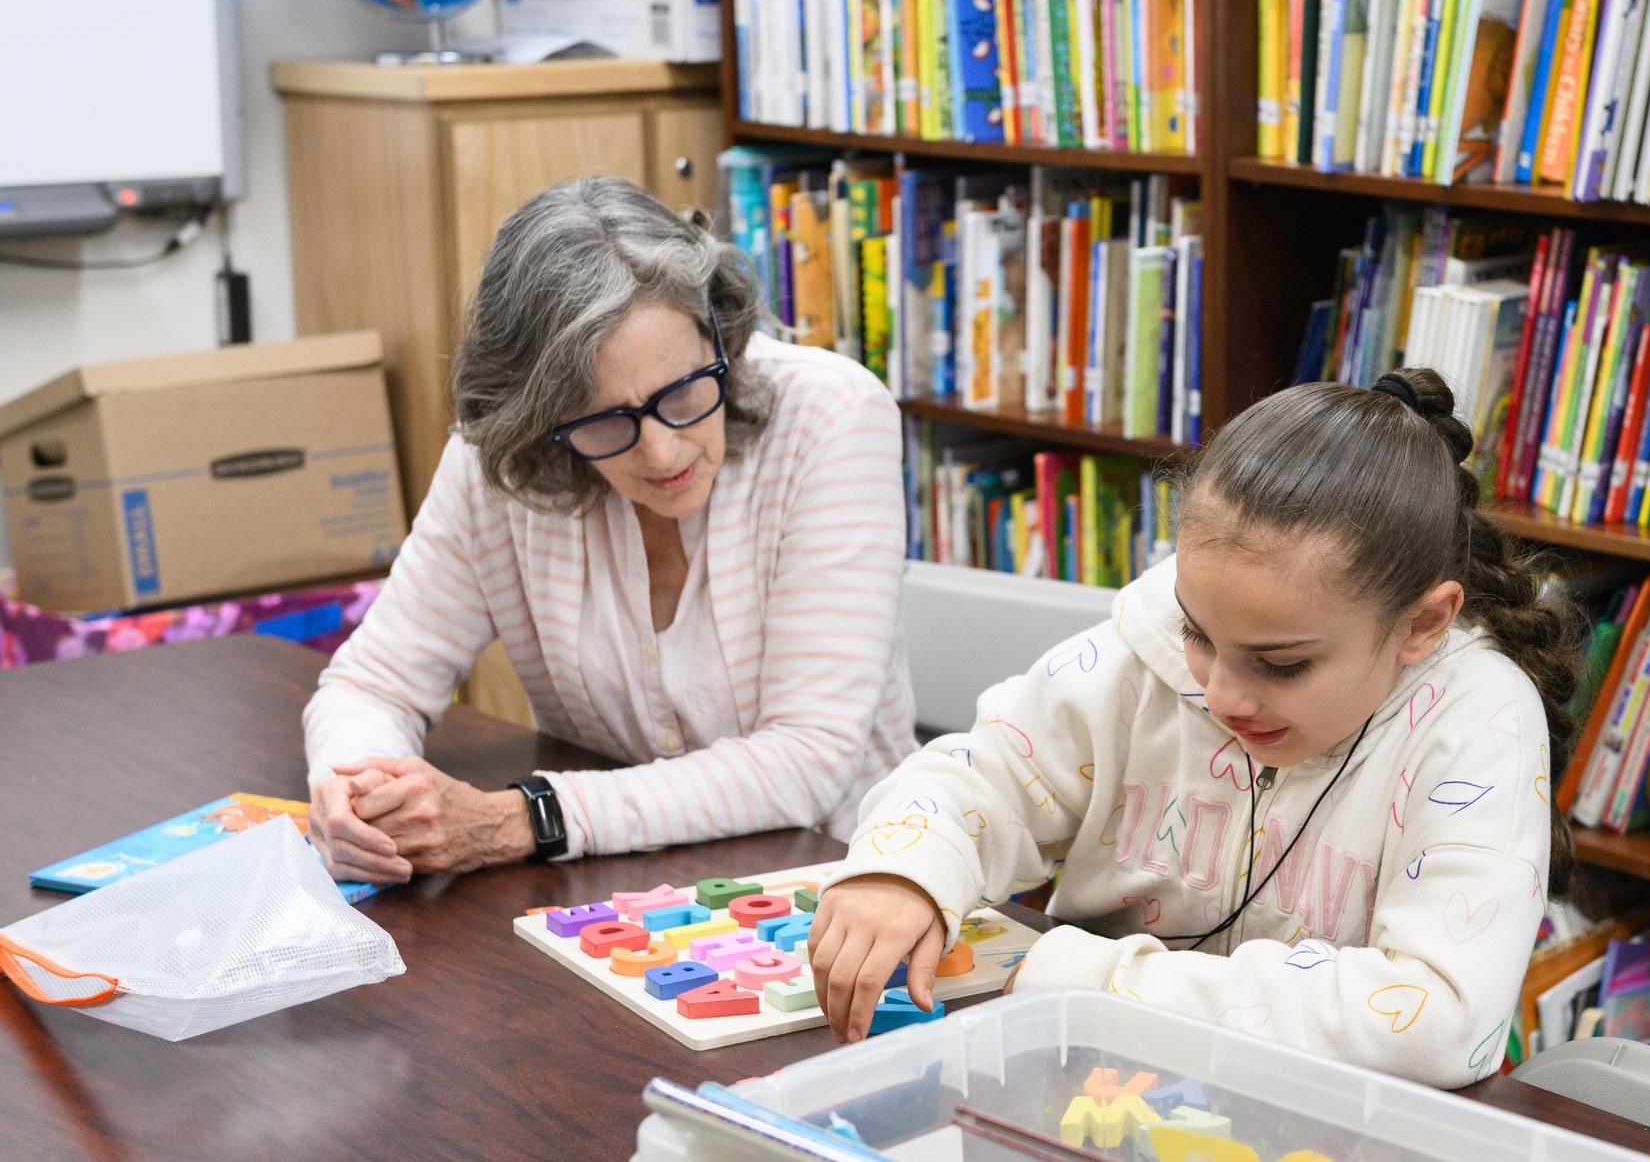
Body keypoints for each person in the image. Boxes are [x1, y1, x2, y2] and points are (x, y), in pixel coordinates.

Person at [809, 368, 1581, 1089]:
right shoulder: (1145, 645)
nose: (1221, 693)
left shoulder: (1477, 721)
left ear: (1422, 624)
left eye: (1281, 665)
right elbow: (986, 774)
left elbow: (1438, 1021)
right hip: (1092, 1087)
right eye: (1198, 633)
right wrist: (904, 870)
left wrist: (1094, 982)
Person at [303, 177, 915, 884]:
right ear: (541, 419)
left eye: (683, 392)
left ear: (719, 332)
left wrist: (525, 818)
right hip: (611, 886)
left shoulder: (832, 419)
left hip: (844, 880)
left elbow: (808, 759)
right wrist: (360, 794)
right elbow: (372, 684)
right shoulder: (498, 462)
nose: (662, 452)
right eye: (604, 421)